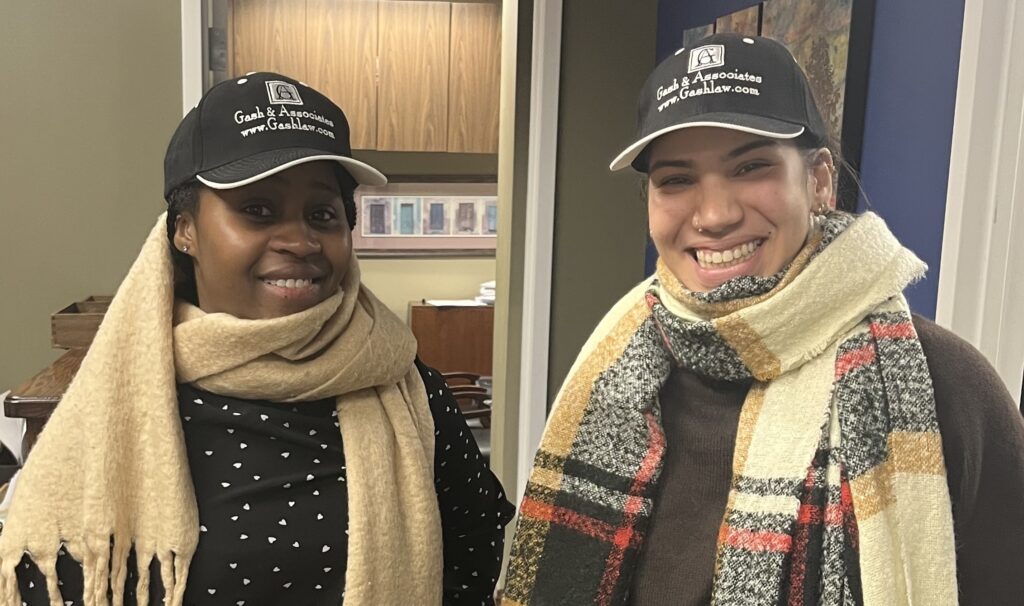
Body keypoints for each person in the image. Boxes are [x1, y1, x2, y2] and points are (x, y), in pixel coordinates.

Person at [501, 33, 1024, 606]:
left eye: (751, 167)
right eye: (676, 179)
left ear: (819, 181)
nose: (716, 214)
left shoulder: (945, 386)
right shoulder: (615, 376)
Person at [0, 72, 514, 605]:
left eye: (322, 214)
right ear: (184, 230)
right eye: (258, 209)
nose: (300, 240)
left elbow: (474, 543)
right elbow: (54, 577)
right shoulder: (123, 392)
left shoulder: (407, 386)